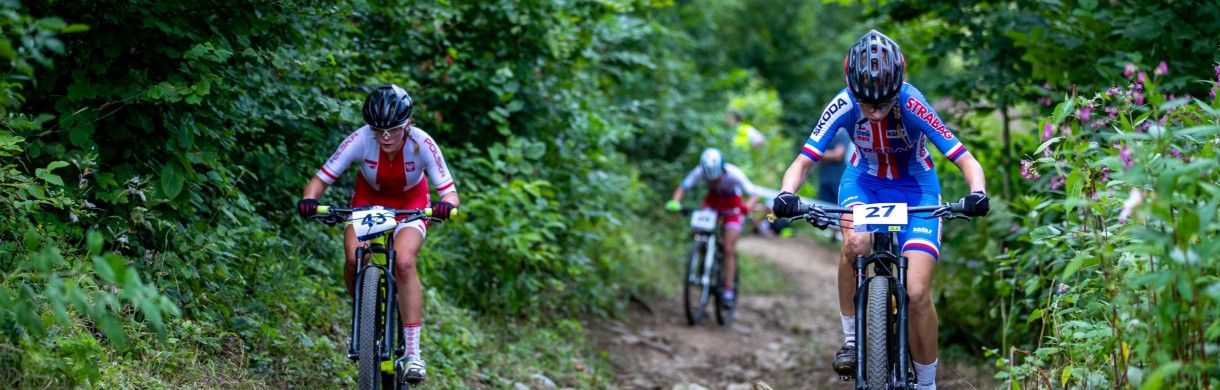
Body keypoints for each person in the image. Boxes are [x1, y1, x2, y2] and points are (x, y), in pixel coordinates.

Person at [769, 30, 989, 390]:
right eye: (865, 104)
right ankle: (854, 338)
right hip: (864, 183)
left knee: (917, 292)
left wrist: (976, 192)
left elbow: (965, 160)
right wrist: (785, 193)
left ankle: (927, 383)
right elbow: (802, 162)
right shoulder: (842, 104)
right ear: (852, 89)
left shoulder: (913, 103)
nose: (873, 112)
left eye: (883, 104)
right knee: (855, 244)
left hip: (916, 188)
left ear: (897, 90)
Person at [296, 84, 458, 385]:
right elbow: (321, 178)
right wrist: (310, 200)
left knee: (405, 262)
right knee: (353, 257)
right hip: (368, 202)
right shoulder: (360, 138)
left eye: (393, 129)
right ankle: (364, 319)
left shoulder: (422, 143)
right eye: (378, 129)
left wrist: (444, 207)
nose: (385, 136)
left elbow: (449, 194)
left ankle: (412, 353)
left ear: (407, 124)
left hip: (411, 203)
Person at [666, 148, 761, 310]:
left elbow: (754, 194)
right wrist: (675, 202)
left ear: (722, 171)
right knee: (697, 230)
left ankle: (728, 290)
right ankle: (702, 252)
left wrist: (747, 207)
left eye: (717, 179)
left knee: (729, 247)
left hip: (733, 206)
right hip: (713, 203)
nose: (714, 182)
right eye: (710, 180)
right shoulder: (699, 172)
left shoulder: (734, 173)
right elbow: (683, 187)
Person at [817, 130, 853, 241]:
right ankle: (833, 235)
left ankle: (844, 236)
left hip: (838, 179)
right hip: (824, 178)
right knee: (827, 207)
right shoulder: (826, 134)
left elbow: (838, 155)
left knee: (840, 209)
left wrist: (820, 154)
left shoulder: (843, 135)